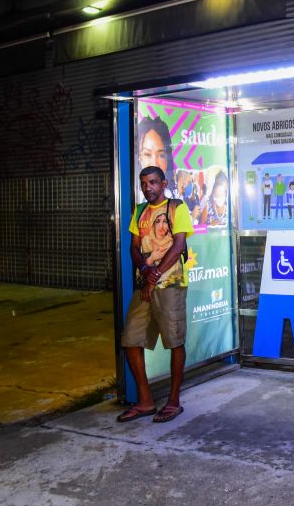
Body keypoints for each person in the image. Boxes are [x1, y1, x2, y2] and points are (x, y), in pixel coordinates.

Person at [117, 166, 194, 424]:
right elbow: (134, 247)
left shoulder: (177, 208)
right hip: (145, 287)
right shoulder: (139, 211)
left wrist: (156, 272)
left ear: (163, 183)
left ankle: (173, 401)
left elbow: (179, 245)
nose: (147, 187)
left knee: (175, 342)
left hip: (170, 285)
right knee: (130, 340)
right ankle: (146, 401)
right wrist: (144, 269)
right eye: (143, 183)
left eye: (152, 182)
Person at [137, 117, 177, 197]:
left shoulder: (174, 200)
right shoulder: (134, 198)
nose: (154, 163)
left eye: (161, 155)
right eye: (147, 154)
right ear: (139, 157)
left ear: (167, 159)